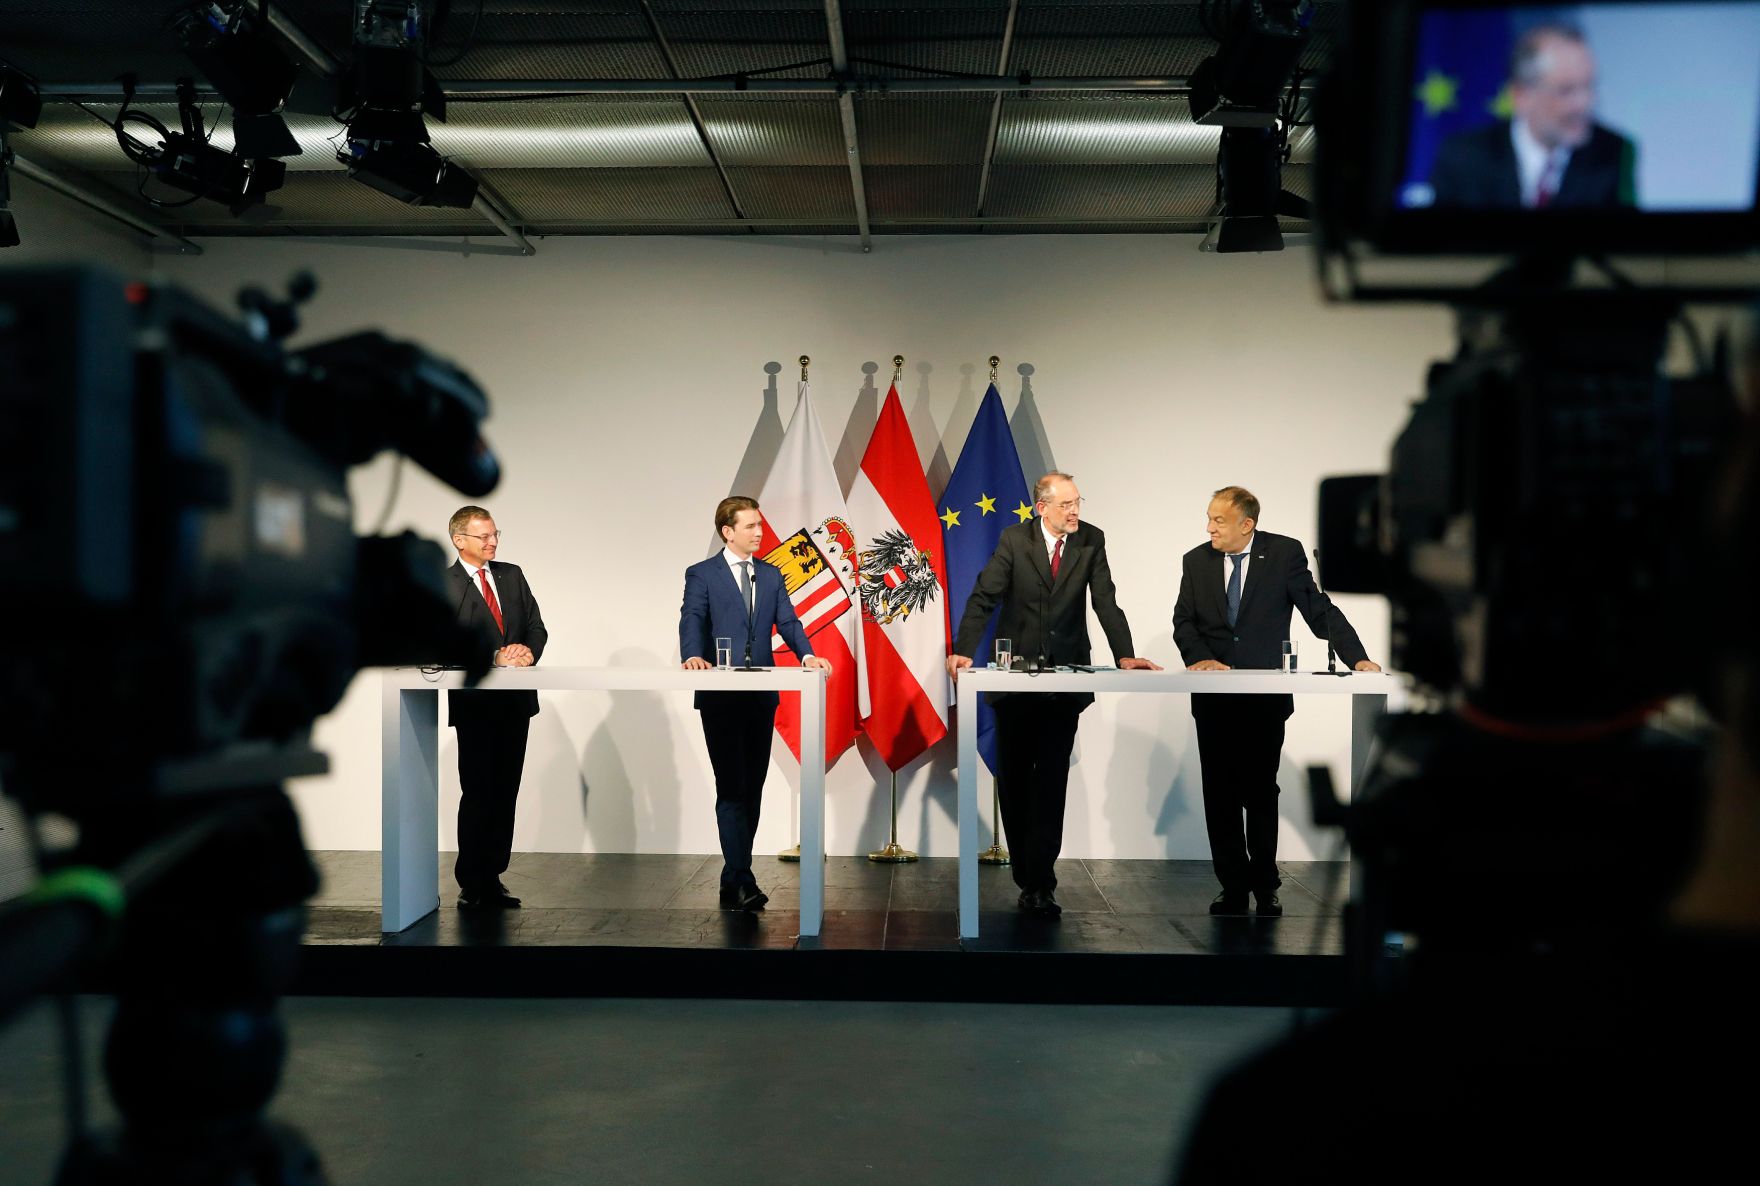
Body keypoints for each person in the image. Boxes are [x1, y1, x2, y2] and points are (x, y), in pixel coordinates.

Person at [947, 472, 1161, 917]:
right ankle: (1026, 872)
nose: (1076, 510)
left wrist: (1126, 654)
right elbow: (984, 597)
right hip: (1014, 686)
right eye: (1066, 504)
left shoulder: (1091, 541)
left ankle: (1041, 881)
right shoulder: (1013, 540)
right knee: (1015, 780)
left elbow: (1106, 600)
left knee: (1050, 783)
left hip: (1064, 685)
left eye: (1078, 501)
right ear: (1042, 508)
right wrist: (963, 650)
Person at [1172, 486, 1379, 917]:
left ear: (1247, 525)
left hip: (1264, 699)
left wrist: (1356, 657)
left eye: (1219, 520)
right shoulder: (1196, 560)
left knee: (1260, 790)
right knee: (1220, 793)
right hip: (1213, 697)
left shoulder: (1283, 554)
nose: (1209, 527)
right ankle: (1232, 888)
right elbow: (1184, 620)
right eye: (1209, 518)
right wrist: (1201, 659)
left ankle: (1265, 885)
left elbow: (1318, 610)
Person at [680, 496, 832, 912]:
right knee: (731, 786)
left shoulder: (770, 574)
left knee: (753, 788)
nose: (760, 532)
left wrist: (806, 654)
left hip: (760, 696)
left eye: (760, 525)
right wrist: (692, 653)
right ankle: (743, 876)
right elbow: (691, 616)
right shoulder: (703, 573)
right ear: (727, 531)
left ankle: (733, 876)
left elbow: (788, 621)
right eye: (750, 526)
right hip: (720, 697)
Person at [445, 505, 548, 910]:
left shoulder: (512, 574)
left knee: (506, 791)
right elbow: (445, 639)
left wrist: (526, 652)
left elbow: (537, 626)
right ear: (459, 540)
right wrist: (493, 656)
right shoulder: (446, 582)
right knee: (478, 791)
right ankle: (472, 881)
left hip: (515, 703)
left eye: (494, 534)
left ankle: (493, 875)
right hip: (475, 705)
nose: (493, 542)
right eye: (483, 536)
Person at [1428, 23, 1636, 209]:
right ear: (1521, 96)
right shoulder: (1463, 157)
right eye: (1566, 90)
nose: (1584, 104)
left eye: (1589, 86)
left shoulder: (1613, 152)